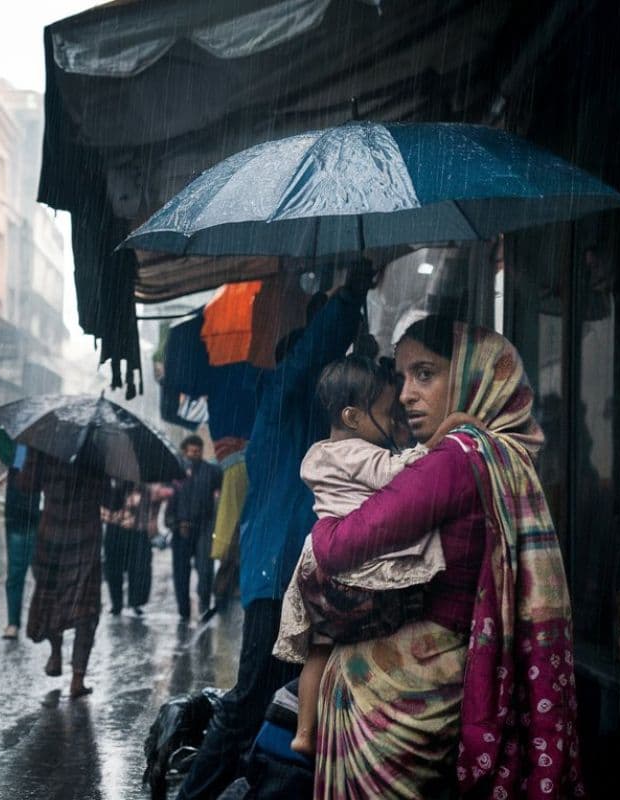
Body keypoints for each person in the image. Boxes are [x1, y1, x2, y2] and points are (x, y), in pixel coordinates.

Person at [308, 317, 584, 798]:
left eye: (426, 374)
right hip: (446, 676)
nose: (405, 395)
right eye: (402, 377)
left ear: (470, 377)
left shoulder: (454, 459)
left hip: (399, 699)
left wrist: (319, 526)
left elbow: (337, 548)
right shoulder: (503, 454)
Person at [177, 267, 369, 800]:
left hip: (293, 576)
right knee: (250, 698)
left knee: (284, 698)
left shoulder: (307, 421)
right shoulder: (283, 399)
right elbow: (310, 360)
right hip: (276, 579)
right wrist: (349, 297)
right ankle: (196, 792)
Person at [274, 355, 462, 755]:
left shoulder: (317, 453)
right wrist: (443, 436)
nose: (395, 422)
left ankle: (304, 733)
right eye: (386, 413)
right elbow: (403, 474)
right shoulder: (359, 453)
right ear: (353, 418)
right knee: (387, 621)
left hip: (313, 564)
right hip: (351, 566)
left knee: (319, 648)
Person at [18, 449, 109, 700]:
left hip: (52, 537)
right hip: (85, 541)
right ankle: (77, 678)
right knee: (86, 610)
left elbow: (26, 485)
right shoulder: (98, 453)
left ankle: (56, 653)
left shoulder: (47, 447)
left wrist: (27, 459)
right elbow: (112, 501)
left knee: (51, 599)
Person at [167, 435, 222, 621]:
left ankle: (204, 606)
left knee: (205, 569)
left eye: (198, 451)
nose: (194, 455)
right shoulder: (174, 471)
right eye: (191, 451)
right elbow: (170, 502)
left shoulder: (211, 471)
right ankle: (183, 612)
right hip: (180, 529)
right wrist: (175, 523)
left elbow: (221, 489)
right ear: (184, 451)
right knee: (181, 573)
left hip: (203, 528)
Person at [2, 446, 41, 640]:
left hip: (34, 521)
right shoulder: (21, 449)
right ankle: (15, 622)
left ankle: (23, 621)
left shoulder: (31, 450)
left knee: (37, 575)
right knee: (17, 574)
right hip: (21, 520)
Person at [102, 480, 157, 616]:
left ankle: (135, 602)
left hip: (137, 530)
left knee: (137, 568)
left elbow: (147, 505)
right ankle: (117, 603)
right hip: (116, 527)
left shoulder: (142, 485)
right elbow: (107, 505)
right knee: (114, 569)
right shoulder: (113, 482)